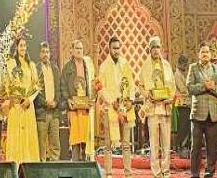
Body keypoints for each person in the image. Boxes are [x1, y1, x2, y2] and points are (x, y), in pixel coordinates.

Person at [98, 36, 135, 178]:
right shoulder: (104, 66)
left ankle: (128, 173)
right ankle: (108, 173)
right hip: (110, 108)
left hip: (124, 107)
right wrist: (112, 101)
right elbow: (101, 88)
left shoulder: (125, 64)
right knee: (108, 144)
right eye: (114, 48)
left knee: (126, 143)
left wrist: (130, 100)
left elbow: (131, 84)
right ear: (109, 48)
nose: (117, 50)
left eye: (118, 48)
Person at [187, 44, 217, 178]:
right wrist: (204, 86)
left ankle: (209, 173)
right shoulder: (193, 68)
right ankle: (194, 174)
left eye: (207, 52)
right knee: (195, 148)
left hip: (213, 114)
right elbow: (190, 88)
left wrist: (213, 88)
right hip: (198, 114)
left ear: (210, 54)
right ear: (199, 54)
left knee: (212, 148)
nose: (205, 54)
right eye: (202, 52)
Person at [140, 36, 176, 178]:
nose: (156, 50)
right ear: (150, 49)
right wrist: (147, 95)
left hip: (165, 108)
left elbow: (172, 86)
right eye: (153, 47)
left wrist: (169, 97)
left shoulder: (166, 65)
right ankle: (156, 172)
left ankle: (166, 171)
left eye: (158, 47)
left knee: (166, 142)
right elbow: (141, 86)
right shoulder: (145, 66)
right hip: (153, 109)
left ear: (161, 49)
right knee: (154, 143)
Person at [3, 37, 40, 164]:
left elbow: (36, 87)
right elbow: (7, 85)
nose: (23, 48)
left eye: (24, 45)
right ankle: (15, 165)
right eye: (20, 45)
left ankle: (28, 166)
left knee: (28, 136)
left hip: (28, 106)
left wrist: (29, 99)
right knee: (16, 136)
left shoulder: (32, 65)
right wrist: (11, 97)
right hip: (16, 106)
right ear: (16, 47)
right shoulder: (11, 63)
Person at [61, 39, 96, 161]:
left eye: (81, 48)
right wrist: (68, 100)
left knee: (86, 139)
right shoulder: (67, 67)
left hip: (86, 108)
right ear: (72, 50)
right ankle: (76, 166)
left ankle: (86, 167)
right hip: (74, 109)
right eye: (77, 48)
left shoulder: (88, 65)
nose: (79, 51)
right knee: (76, 140)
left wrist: (92, 98)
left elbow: (93, 84)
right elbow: (63, 86)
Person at [34, 42, 63, 161]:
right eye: (43, 52)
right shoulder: (36, 69)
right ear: (39, 54)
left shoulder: (55, 69)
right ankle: (41, 169)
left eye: (47, 52)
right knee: (41, 143)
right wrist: (45, 103)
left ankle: (54, 167)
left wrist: (56, 101)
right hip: (42, 112)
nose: (45, 54)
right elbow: (34, 92)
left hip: (54, 112)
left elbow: (60, 89)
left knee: (55, 143)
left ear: (50, 54)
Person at [173, 54, 191, 155]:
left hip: (187, 104)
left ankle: (183, 146)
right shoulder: (177, 75)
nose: (186, 66)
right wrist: (193, 90)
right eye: (185, 64)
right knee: (183, 127)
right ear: (181, 64)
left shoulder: (183, 73)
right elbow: (183, 90)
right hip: (182, 104)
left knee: (186, 126)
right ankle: (180, 147)